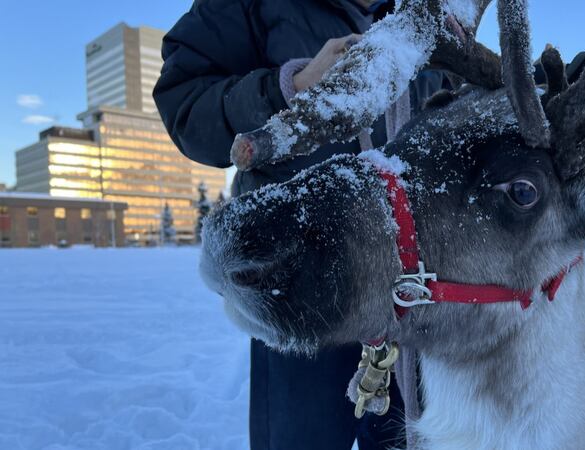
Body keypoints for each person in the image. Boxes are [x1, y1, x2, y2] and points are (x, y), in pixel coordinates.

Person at [153, 1, 449, 449]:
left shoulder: (426, 13)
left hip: (413, 291)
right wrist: (290, 87)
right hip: (298, 285)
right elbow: (185, 103)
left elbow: (475, 107)